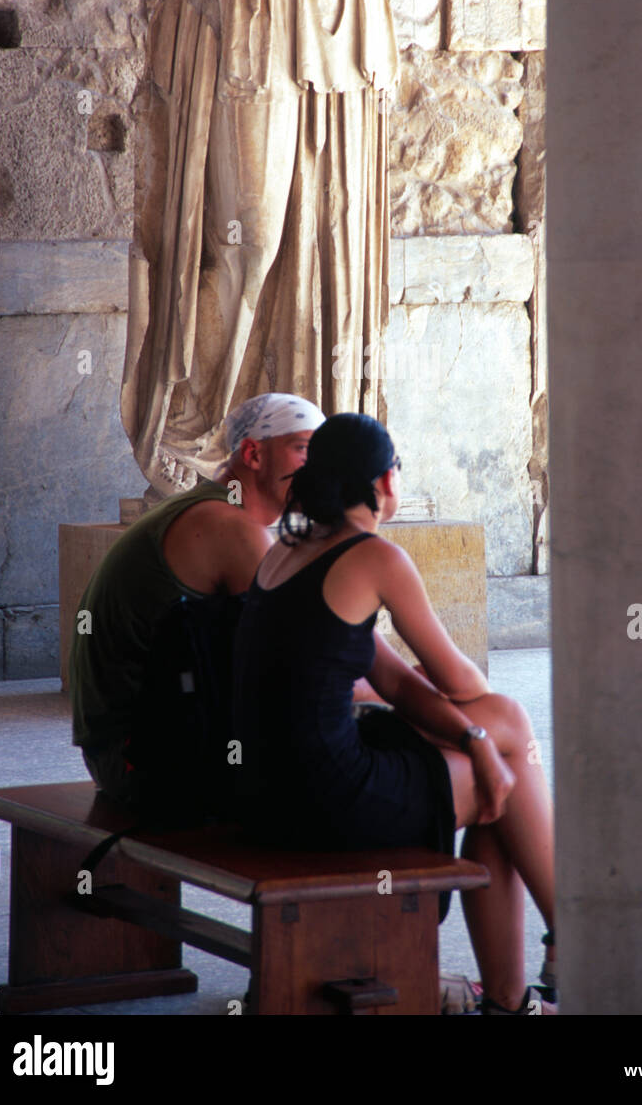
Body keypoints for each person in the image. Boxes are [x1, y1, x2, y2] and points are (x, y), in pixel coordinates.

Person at [231, 413, 557, 1014]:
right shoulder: (376, 558)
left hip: (265, 792)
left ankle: (532, 983)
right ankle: (553, 955)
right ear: (385, 481)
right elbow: (465, 679)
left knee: (498, 757)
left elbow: (396, 683)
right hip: (329, 797)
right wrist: (482, 735)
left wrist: (478, 739)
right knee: (504, 748)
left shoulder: (287, 552)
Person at [69, 393, 324, 812]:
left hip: (126, 750)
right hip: (140, 763)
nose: (316, 470)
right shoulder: (230, 527)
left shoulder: (211, 510)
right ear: (254, 454)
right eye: (303, 450)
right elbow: (291, 664)